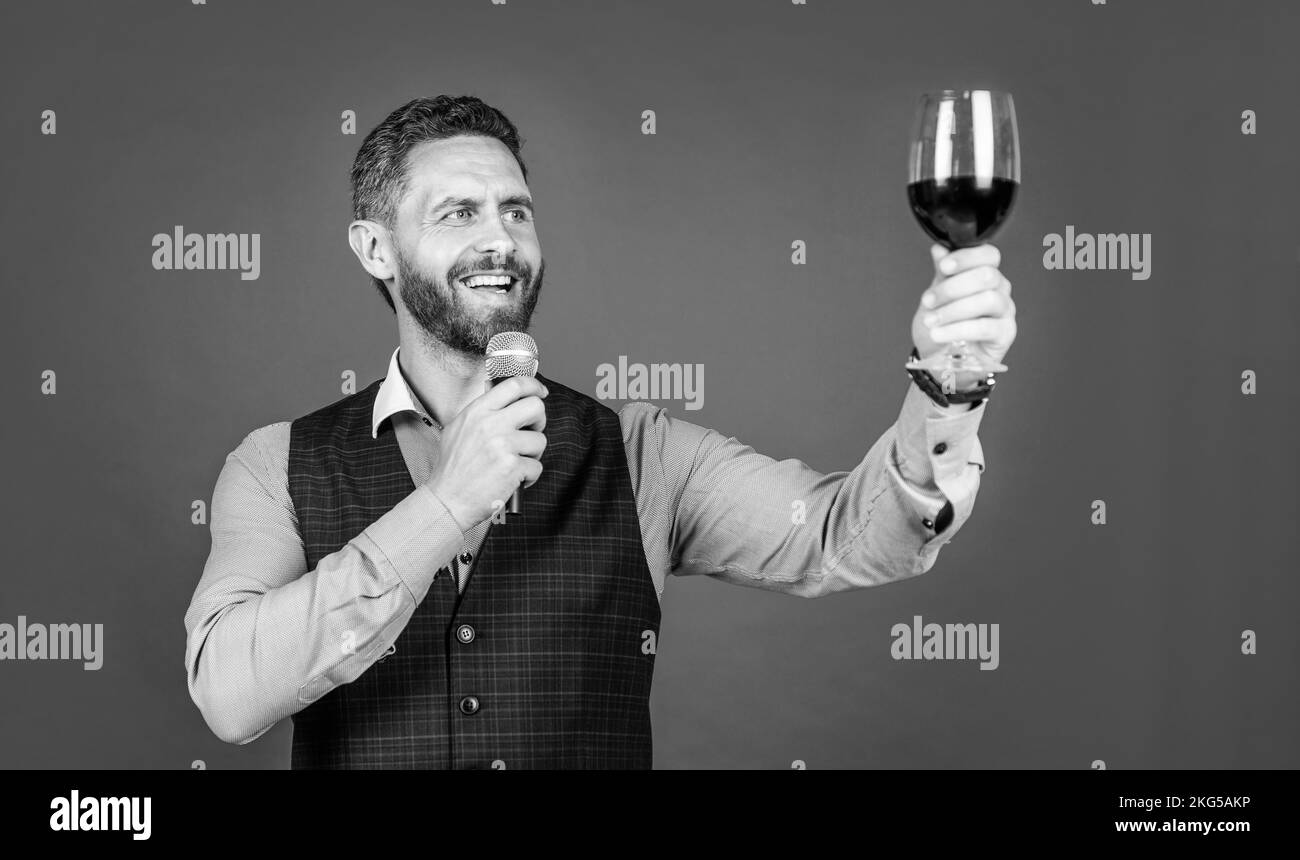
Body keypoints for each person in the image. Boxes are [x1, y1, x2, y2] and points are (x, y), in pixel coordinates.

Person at [183, 94, 1018, 769]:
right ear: (376, 249)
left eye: (517, 211)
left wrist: (948, 388)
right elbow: (229, 696)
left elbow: (843, 535)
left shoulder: (641, 451)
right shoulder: (274, 464)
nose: (499, 239)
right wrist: (446, 504)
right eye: (459, 213)